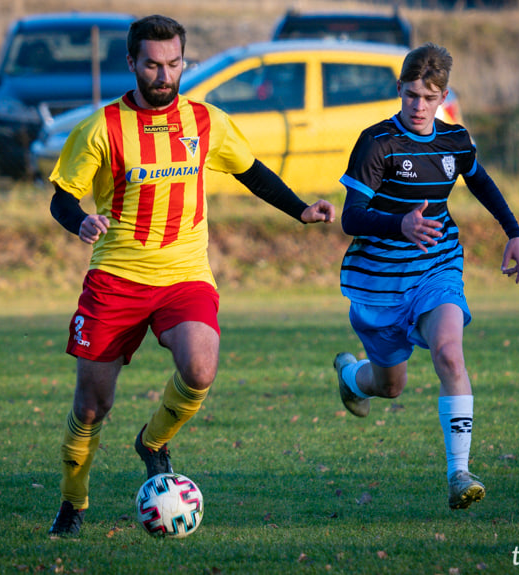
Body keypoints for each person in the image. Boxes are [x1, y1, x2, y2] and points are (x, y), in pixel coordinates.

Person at [46, 15, 335, 537]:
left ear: (185, 62)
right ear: (131, 62)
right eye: (153, 65)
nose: (164, 75)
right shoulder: (101, 127)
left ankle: (153, 442)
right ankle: (73, 504)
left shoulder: (206, 122)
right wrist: (81, 220)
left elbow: (251, 170)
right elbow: (62, 195)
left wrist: (299, 210)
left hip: (185, 274)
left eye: (174, 64)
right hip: (116, 278)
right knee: (91, 407)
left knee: (200, 370)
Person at [332, 43, 519, 510]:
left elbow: (479, 180)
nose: (419, 106)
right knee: (390, 386)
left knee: (449, 353)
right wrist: (398, 223)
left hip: (436, 268)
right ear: (398, 89)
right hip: (379, 282)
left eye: (430, 97)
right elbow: (351, 217)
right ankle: (351, 376)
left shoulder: (455, 141)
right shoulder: (378, 143)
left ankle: (459, 473)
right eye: (412, 95)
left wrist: (514, 232)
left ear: (443, 98)